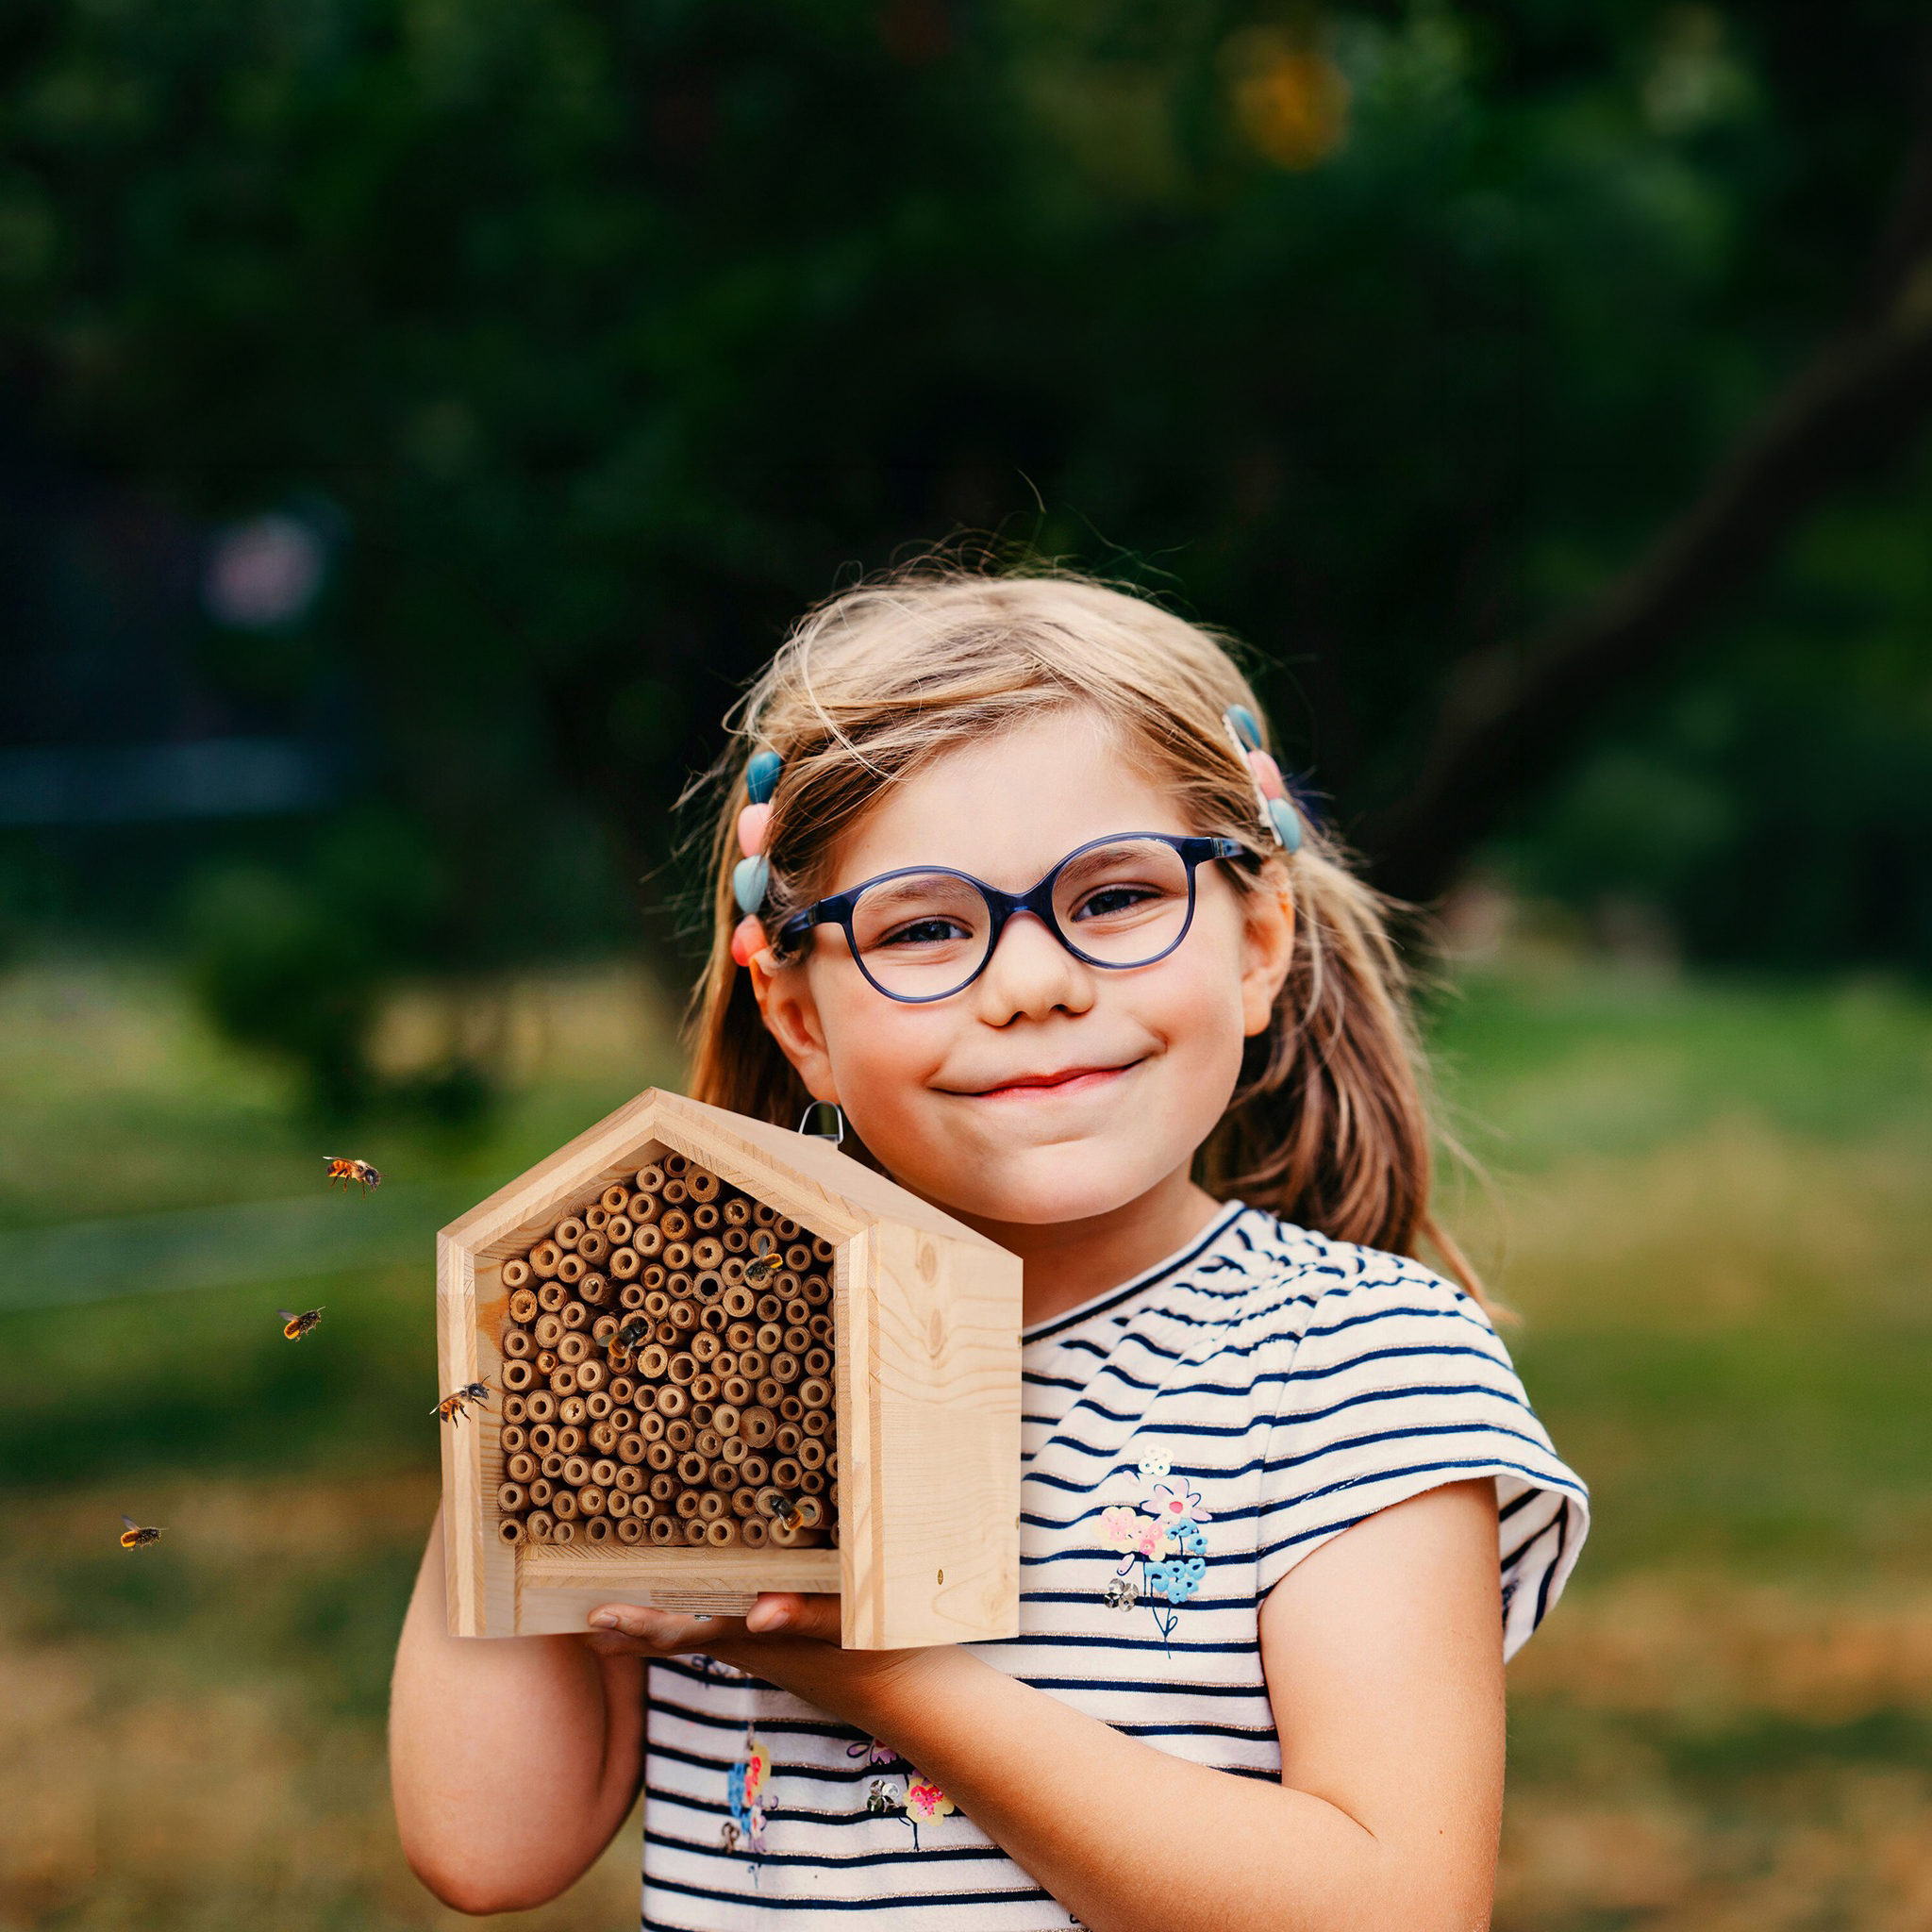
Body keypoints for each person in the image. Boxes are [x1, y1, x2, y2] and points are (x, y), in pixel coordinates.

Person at [390, 569, 1588, 1930]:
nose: (1032, 984)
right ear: (799, 1016)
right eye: (924, 927)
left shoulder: (1352, 1366)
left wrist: (881, 1677)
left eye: (1120, 897)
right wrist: (530, 1386)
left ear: (1259, 942)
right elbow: (486, 1848)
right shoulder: (713, 1357)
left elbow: (1396, 1910)